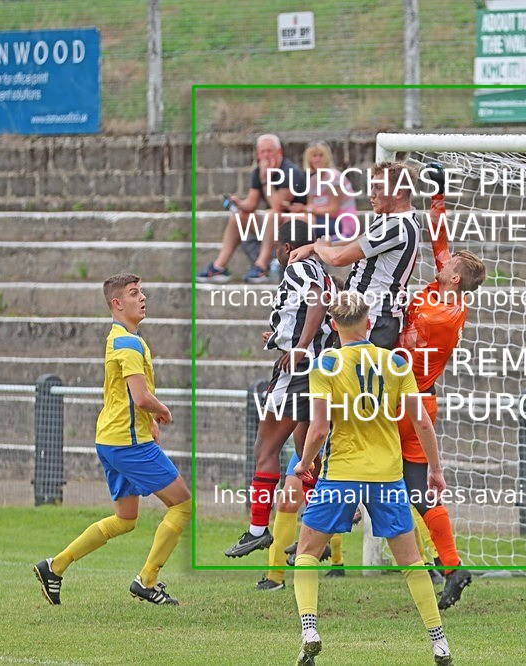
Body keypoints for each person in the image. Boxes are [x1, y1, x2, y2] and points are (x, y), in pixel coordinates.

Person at [290, 291, 453, 666]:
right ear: (368, 323)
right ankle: (439, 641)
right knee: (412, 562)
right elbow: (421, 421)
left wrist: (305, 464)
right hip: (388, 477)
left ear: (333, 325)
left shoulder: (326, 364)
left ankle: (310, 629)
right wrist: (436, 469)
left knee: (307, 554)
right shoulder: (396, 363)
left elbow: (317, 430)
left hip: (342, 474)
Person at [34, 273, 191, 605]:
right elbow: (140, 397)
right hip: (128, 444)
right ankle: (147, 581)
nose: (143, 297)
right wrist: (161, 411)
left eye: (142, 291)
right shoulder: (130, 344)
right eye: (135, 293)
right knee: (183, 504)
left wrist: (149, 422)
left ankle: (55, 567)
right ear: (117, 303)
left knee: (125, 519)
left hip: (111, 439)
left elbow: (126, 395)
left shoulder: (121, 338)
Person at [223, 219, 337, 575]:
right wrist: (279, 335)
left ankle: (258, 530)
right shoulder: (320, 268)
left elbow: (316, 304)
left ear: (287, 246)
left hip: (300, 371)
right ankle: (322, 529)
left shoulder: (299, 266)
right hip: (321, 367)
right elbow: (315, 310)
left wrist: (300, 347)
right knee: (307, 454)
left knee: (266, 448)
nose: (272, 251)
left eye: (276, 245)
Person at [396, 163, 486, 609]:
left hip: (403, 406)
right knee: (416, 490)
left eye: (446, 266)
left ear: (453, 279)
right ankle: (452, 566)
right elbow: (439, 239)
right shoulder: (444, 292)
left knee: (345, 461)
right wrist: (438, 195)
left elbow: (407, 324)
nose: (442, 262)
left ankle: (310, 541)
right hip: (418, 405)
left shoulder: (439, 315)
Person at [290, 160, 421, 350]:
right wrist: (312, 247)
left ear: (399, 193)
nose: (372, 194)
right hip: (363, 317)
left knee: (353, 378)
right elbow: (359, 241)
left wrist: (319, 248)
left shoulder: (397, 225)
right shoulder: (394, 218)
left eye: (378, 187)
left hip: (373, 320)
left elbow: (337, 259)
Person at [197, 134, 307, 284]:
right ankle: (219, 267)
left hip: (295, 221)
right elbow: (251, 204)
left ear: (279, 152)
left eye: (270, 151)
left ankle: (261, 267)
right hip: (274, 222)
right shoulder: (260, 170)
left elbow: (278, 205)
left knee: (271, 214)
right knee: (239, 217)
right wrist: (238, 203)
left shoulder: (290, 172)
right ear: (257, 154)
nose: (266, 155)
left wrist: (265, 179)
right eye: (262, 152)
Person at [289, 141, 359, 239]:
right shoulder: (312, 181)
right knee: (290, 217)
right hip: (322, 219)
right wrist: (299, 209)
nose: (318, 159)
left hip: (341, 223)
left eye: (321, 155)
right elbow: (311, 207)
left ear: (326, 157)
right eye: (314, 156)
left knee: (301, 220)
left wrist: (305, 209)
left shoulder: (334, 177)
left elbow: (332, 210)